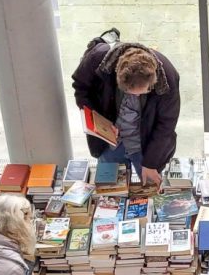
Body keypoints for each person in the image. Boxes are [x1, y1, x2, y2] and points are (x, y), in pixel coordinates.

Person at [71, 29, 181, 185]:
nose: (135, 97)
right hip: (110, 143)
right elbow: (81, 87)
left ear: (153, 82)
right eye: (129, 92)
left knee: (150, 190)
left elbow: (166, 124)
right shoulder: (97, 59)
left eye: (142, 93)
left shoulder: (168, 78)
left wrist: (151, 163)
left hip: (146, 144)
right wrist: (98, 120)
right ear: (117, 76)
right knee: (108, 189)